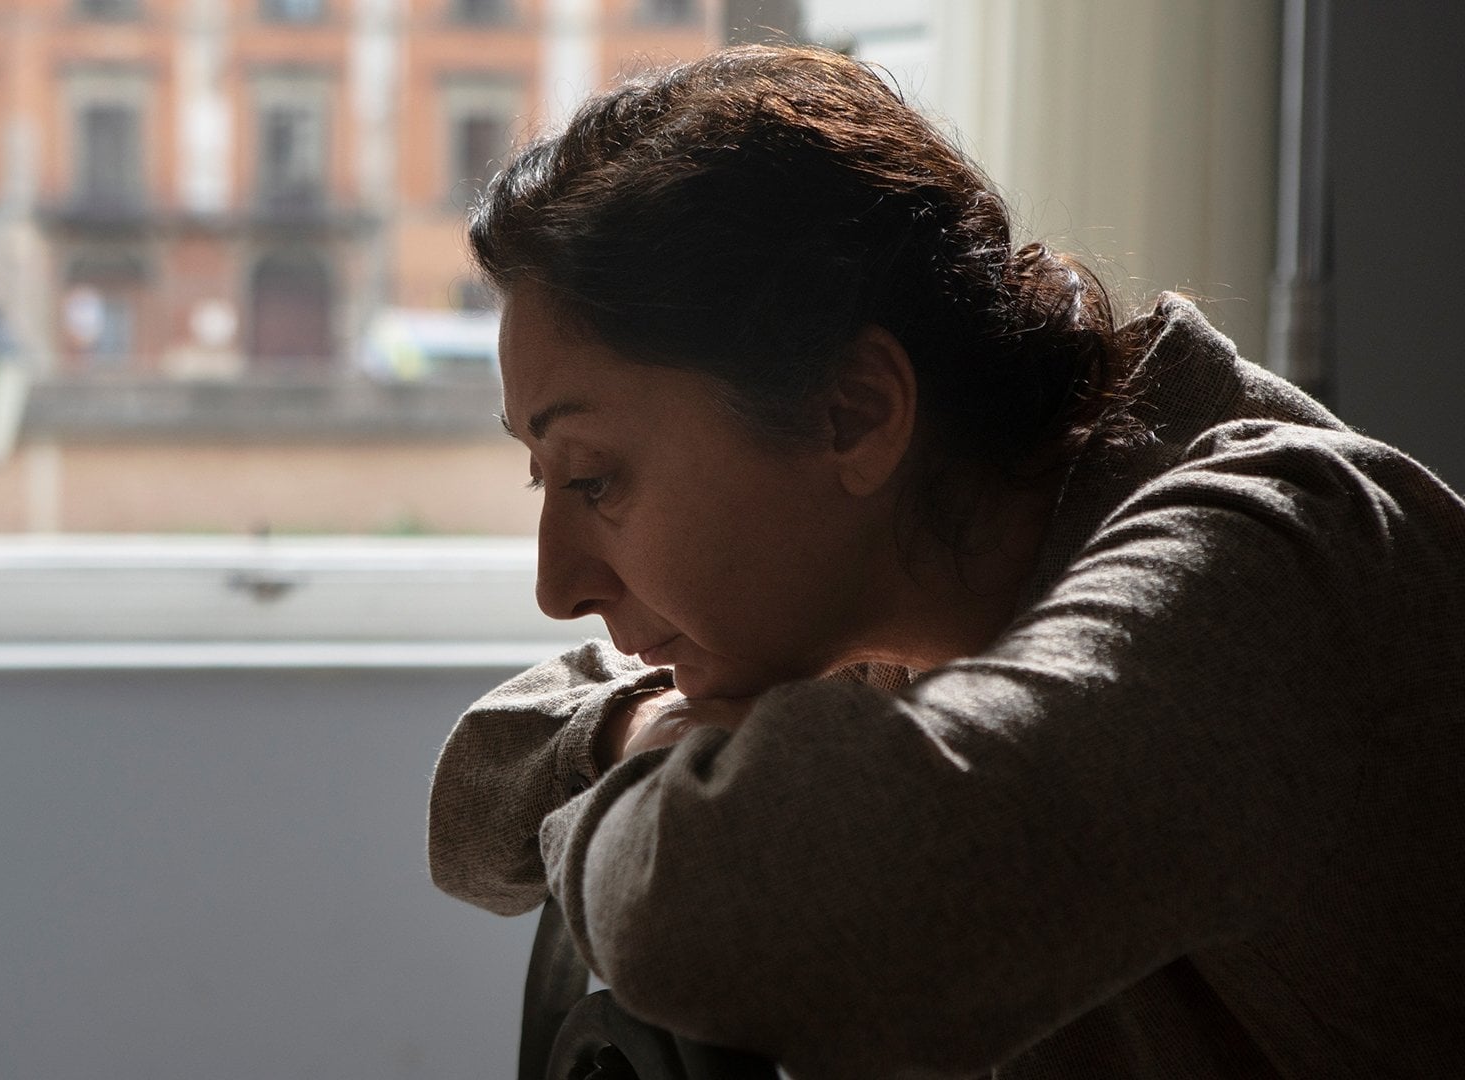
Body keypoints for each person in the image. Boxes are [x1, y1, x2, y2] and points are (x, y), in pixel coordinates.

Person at [426, 43, 1465, 1079]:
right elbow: (487, 769)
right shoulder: (890, 593)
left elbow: (725, 922)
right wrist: (645, 730)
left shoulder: (1271, 569)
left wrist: (665, 765)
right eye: (542, 478)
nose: (557, 587)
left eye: (595, 477)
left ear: (854, 412)